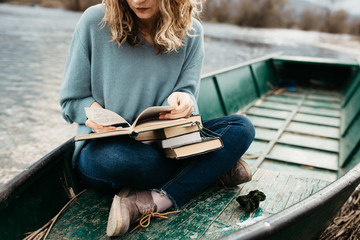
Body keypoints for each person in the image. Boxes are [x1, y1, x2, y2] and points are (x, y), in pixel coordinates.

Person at [60, 0, 255, 237]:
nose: (138, 1)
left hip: (166, 144)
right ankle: (212, 169)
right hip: (105, 150)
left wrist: (183, 100)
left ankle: (153, 200)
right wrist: (91, 112)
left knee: (241, 127)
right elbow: (71, 100)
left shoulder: (191, 31)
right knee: (140, 163)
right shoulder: (94, 20)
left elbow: (188, 93)